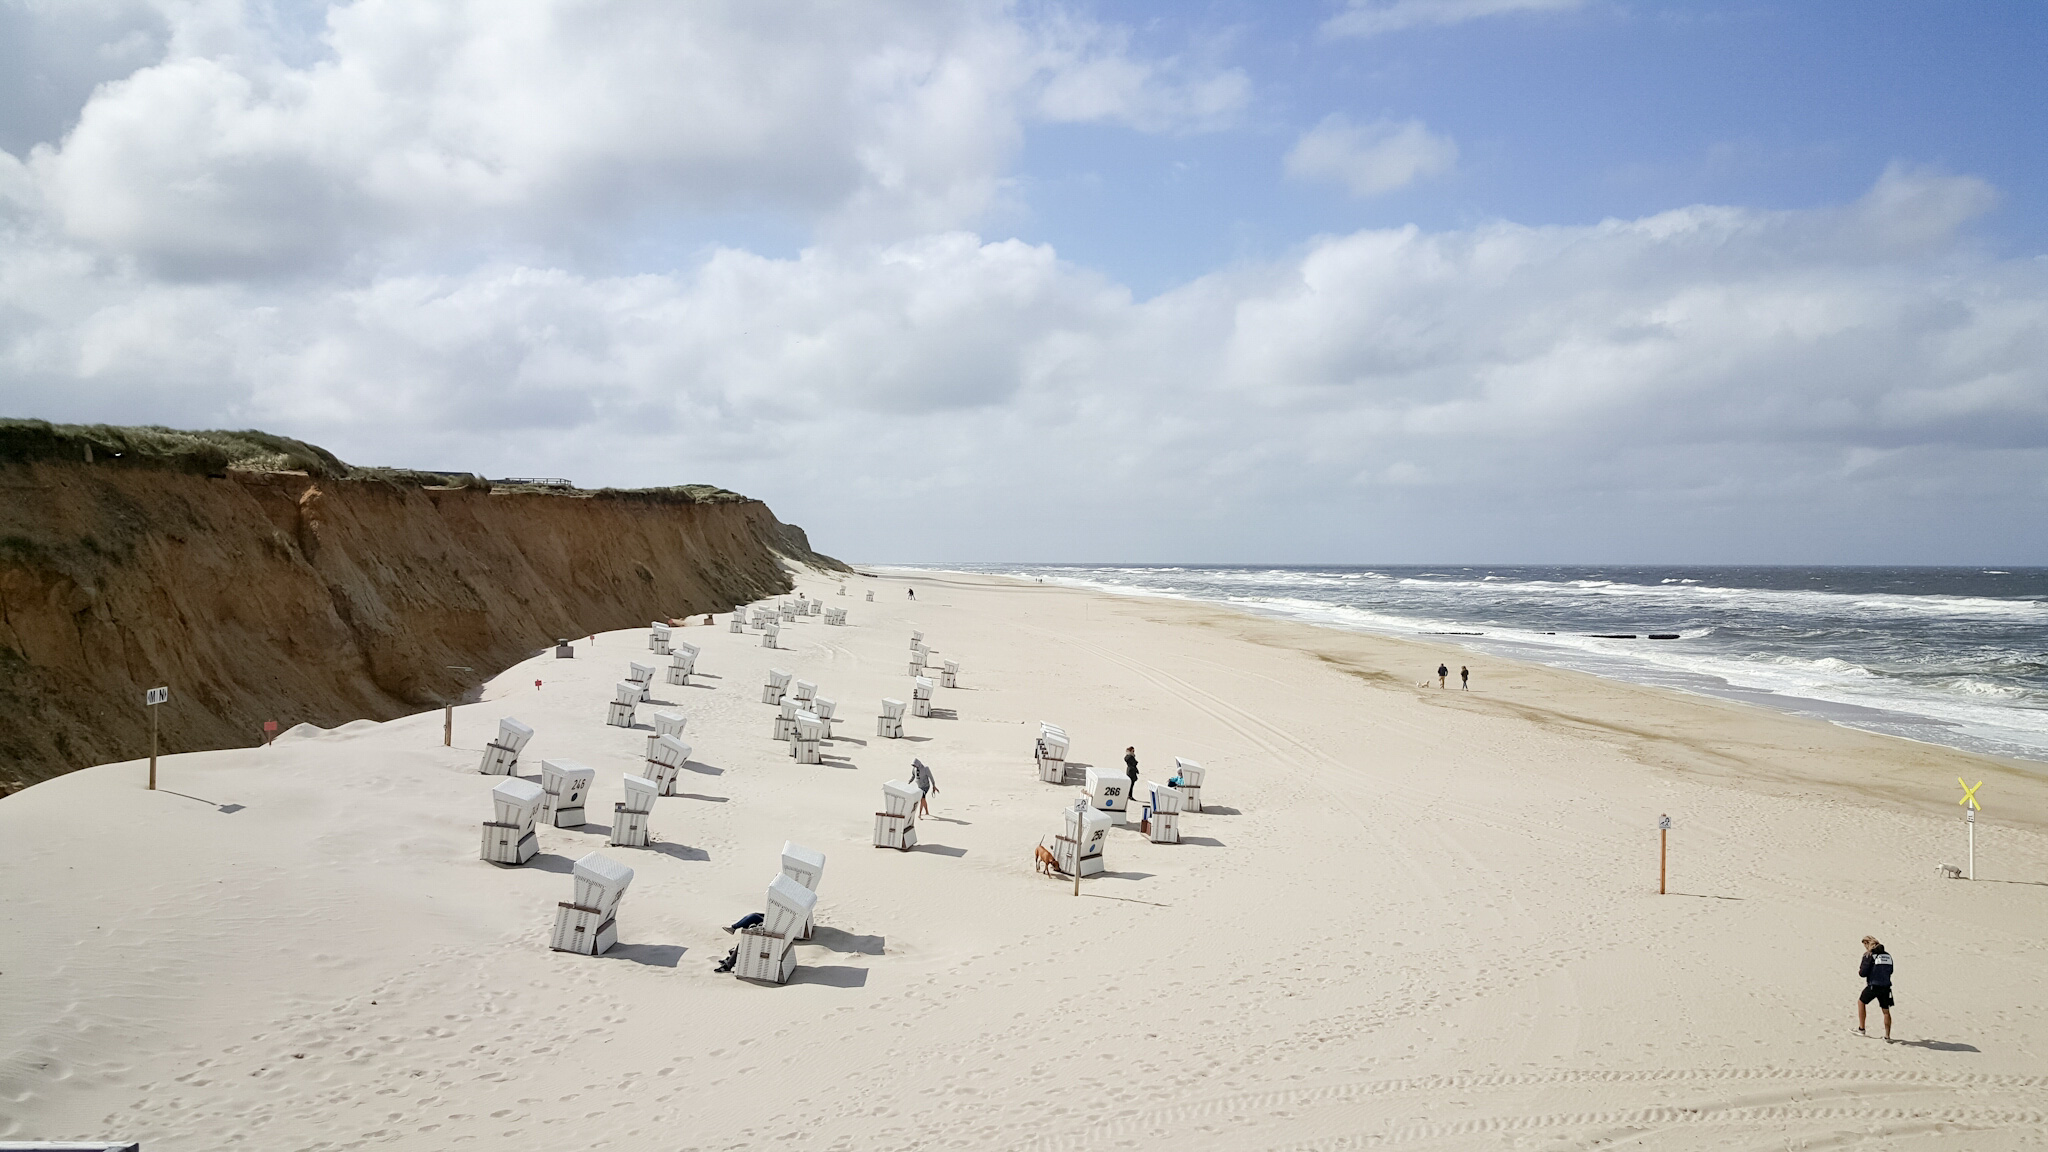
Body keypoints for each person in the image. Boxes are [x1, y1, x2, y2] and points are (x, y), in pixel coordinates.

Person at [1857, 936, 1895, 1040]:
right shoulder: (1888, 956)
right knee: (1886, 1011)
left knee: (1861, 1002)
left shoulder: (1869, 955)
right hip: (1886, 987)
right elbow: (1891, 970)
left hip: (1873, 986)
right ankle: (1887, 1036)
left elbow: (1863, 973)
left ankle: (1862, 1029)